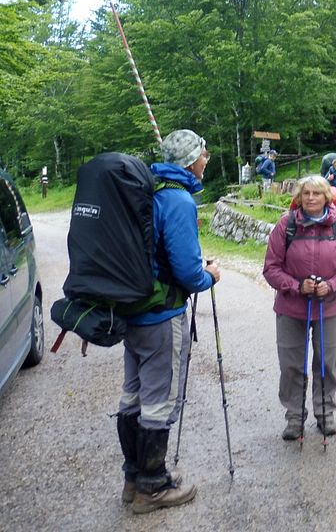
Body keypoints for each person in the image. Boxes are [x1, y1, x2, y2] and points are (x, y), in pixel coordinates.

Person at [117, 129, 220, 514]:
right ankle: (152, 487)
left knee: (133, 394)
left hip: (134, 310)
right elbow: (188, 273)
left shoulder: (150, 191)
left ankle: (133, 478)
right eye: (203, 153)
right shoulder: (178, 200)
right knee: (159, 400)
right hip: (162, 315)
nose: (206, 159)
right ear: (190, 160)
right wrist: (211, 275)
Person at [263, 175, 336, 441]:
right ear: (299, 197)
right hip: (291, 307)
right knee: (291, 365)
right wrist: (297, 286)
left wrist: (330, 285)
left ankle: (325, 413)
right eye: (305, 193)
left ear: (326, 198)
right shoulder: (287, 225)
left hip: (329, 307)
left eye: (316, 193)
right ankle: (294, 417)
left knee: (327, 364)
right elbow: (271, 268)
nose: (310, 198)